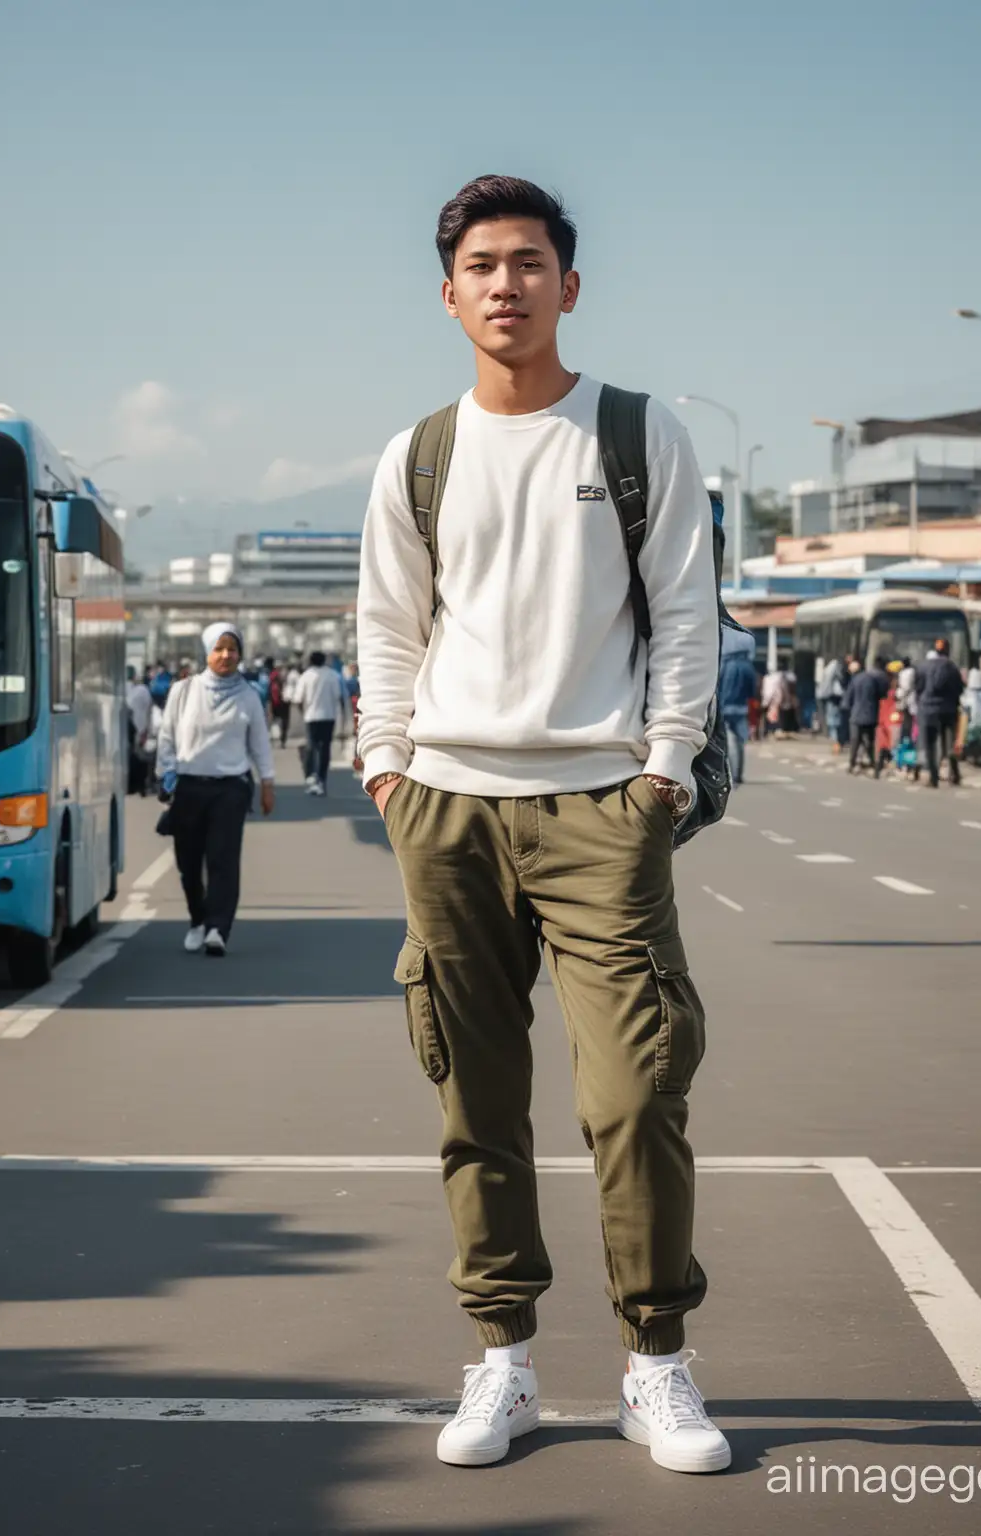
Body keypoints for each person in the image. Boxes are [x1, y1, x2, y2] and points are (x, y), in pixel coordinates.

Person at [356, 175, 727, 1474]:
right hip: (448, 807)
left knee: (635, 1096)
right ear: (448, 294)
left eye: (528, 262)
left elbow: (688, 612)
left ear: (570, 285)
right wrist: (390, 772)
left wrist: (662, 772)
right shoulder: (418, 453)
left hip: (600, 811)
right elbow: (389, 628)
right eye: (481, 265)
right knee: (478, 1102)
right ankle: (503, 1358)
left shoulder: (636, 434)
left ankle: (657, 1363)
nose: (504, 283)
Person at [156, 622, 276, 956]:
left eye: (232, 649)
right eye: (219, 649)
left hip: (231, 789)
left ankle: (218, 929)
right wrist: (165, 775)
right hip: (190, 786)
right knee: (189, 863)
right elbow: (166, 738)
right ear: (206, 653)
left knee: (223, 860)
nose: (226, 655)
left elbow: (260, 744)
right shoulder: (184, 691)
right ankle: (198, 920)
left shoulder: (249, 696)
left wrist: (267, 782)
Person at [293, 649, 348, 796]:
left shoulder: (305, 676)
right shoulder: (332, 675)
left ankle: (311, 776)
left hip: (311, 717)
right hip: (328, 716)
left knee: (311, 746)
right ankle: (322, 778)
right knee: (325, 748)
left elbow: (298, 699)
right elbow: (338, 697)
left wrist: (303, 712)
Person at [914, 637, 964, 788]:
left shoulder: (923, 667)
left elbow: (918, 688)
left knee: (930, 744)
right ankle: (953, 769)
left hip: (928, 709)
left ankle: (934, 777)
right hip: (948, 710)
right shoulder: (953, 668)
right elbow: (960, 689)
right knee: (948, 740)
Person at [717, 626, 758, 784]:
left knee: (724, 741)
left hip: (723, 708)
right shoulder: (748, 667)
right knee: (740, 740)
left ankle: (726, 773)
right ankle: (738, 773)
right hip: (741, 708)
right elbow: (752, 691)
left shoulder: (723, 665)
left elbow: (716, 687)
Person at [843, 654, 889, 775]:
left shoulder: (855, 680)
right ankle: (873, 764)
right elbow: (881, 695)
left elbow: (848, 698)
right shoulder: (873, 680)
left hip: (856, 714)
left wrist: (846, 708)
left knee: (855, 741)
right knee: (869, 741)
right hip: (871, 714)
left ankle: (852, 764)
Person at [126, 666, 153, 795]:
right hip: (139, 728)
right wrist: (146, 729)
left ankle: (133, 784)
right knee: (140, 757)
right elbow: (148, 710)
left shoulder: (124, 689)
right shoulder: (143, 690)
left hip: (127, 729)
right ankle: (141, 785)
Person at [821, 654, 846, 753]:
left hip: (832, 696)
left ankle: (836, 742)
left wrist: (823, 693)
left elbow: (826, 682)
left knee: (833, 720)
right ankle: (837, 742)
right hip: (835, 696)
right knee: (835, 720)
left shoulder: (832, 667)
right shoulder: (837, 669)